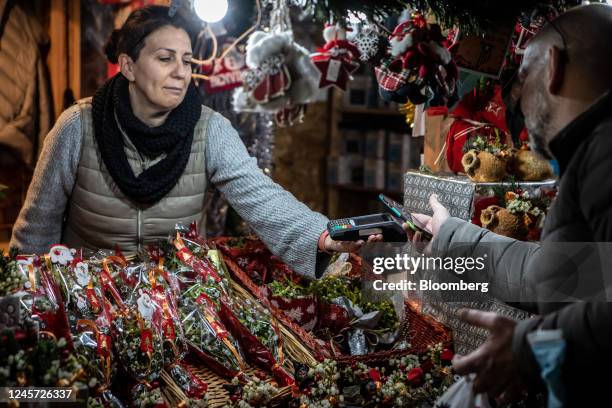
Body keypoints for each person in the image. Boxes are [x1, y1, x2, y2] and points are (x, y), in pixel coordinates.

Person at [9, 5, 376, 279]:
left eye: (186, 60)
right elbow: (37, 228)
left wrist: (321, 234)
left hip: (172, 300)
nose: (181, 72)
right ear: (129, 66)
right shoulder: (78, 125)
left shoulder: (209, 129)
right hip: (85, 298)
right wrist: (31, 307)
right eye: (165, 58)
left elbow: (261, 195)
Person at [411, 4, 612, 406]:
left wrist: (529, 348)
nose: (517, 101)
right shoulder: (593, 153)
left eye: (524, 75)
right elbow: (564, 276)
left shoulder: (606, 151)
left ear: (553, 66)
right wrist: (450, 237)